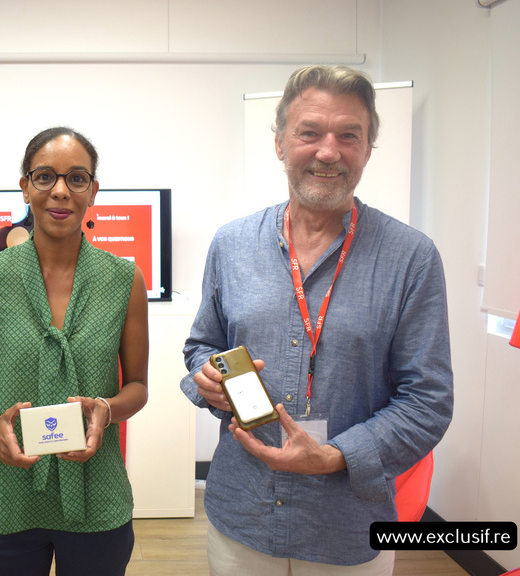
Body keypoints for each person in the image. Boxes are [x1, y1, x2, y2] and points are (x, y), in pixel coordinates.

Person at [181, 65, 453, 575]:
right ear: (280, 143)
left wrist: (335, 456)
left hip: (345, 526)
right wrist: (207, 376)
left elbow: (428, 401)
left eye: (349, 135)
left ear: (367, 149)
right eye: (310, 132)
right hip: (242, 515)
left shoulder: (411, 258)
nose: (329, 152)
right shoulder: (232, 245)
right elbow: (202, 345)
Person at [0, 126, 149, 576]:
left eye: (77, 178)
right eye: (45, 176)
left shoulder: (124, 280)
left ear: (93, 191)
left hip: (96, 485)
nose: (61, 191)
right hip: (7, 484)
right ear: (25, 186)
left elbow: (138, 387)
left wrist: (106, 409)